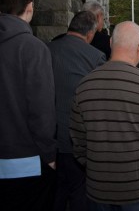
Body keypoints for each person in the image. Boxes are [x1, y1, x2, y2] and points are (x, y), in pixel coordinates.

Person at [69, 21, 139, 210]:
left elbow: (78, 141)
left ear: (111, 42)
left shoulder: (84, 85)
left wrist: (96, 166)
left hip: (98, 190)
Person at [0, 0, 57, 210]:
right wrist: (49, 154)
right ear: (30, 7)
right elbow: (41, 109)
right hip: (26, 161)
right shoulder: (33, 48)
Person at [47, 11, 106, 211]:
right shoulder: (95, 57)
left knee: (55, 195)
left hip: (49, 139)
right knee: (80, 196)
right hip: (79, 141)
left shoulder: (47, 49)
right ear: (90, 34)